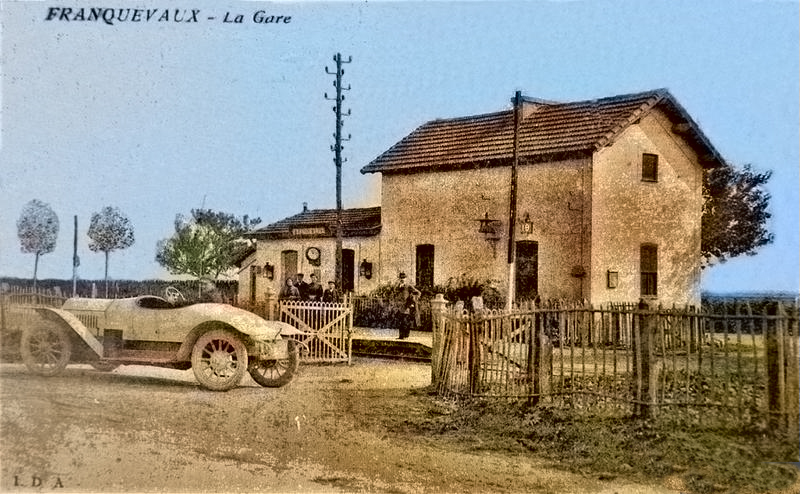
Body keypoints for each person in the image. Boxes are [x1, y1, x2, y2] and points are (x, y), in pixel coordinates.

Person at [395, 272, 421, 339]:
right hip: (399, 306)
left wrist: (413, 299)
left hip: (406, 306)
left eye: (404, 278)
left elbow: (418, 293)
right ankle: (401, 336)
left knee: (405, 321)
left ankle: (405, 335)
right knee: (401, 321)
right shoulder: (398, 287)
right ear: (399, 279)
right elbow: (396, 295)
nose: (402, 279)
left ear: (406, 278)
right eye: (401, 278)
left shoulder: (408, 286)